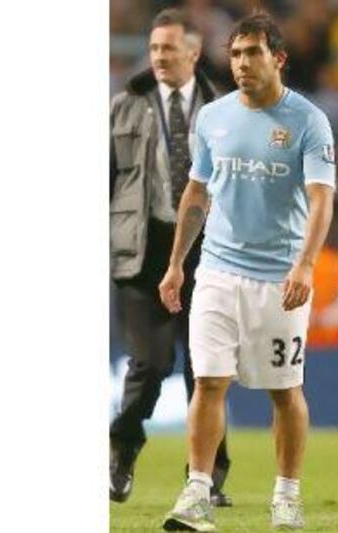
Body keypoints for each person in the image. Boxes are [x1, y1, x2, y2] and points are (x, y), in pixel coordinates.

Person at [158, 12, 336, 532]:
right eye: (235, 54)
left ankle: (286, 496)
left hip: (279, 279)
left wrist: (305, 263)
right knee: (208, 383)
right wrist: (175, 265)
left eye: (253, 53)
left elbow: (322, 199)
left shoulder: (307, 121)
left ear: (277, 58)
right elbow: (197, 192)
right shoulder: (212, 118)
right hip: (216, 270)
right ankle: (197, 492)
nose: (241, 64)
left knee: (284, 391)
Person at [109, 7, 232, 506]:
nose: (159, 56)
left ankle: (208, 477)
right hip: (142, 254)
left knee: (207, 369)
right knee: (150, 362)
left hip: (208, 255)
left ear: (193, 52)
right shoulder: (123, 107)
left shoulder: (225, 109)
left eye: (168, 48)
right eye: (154, 48)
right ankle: (121, 452)